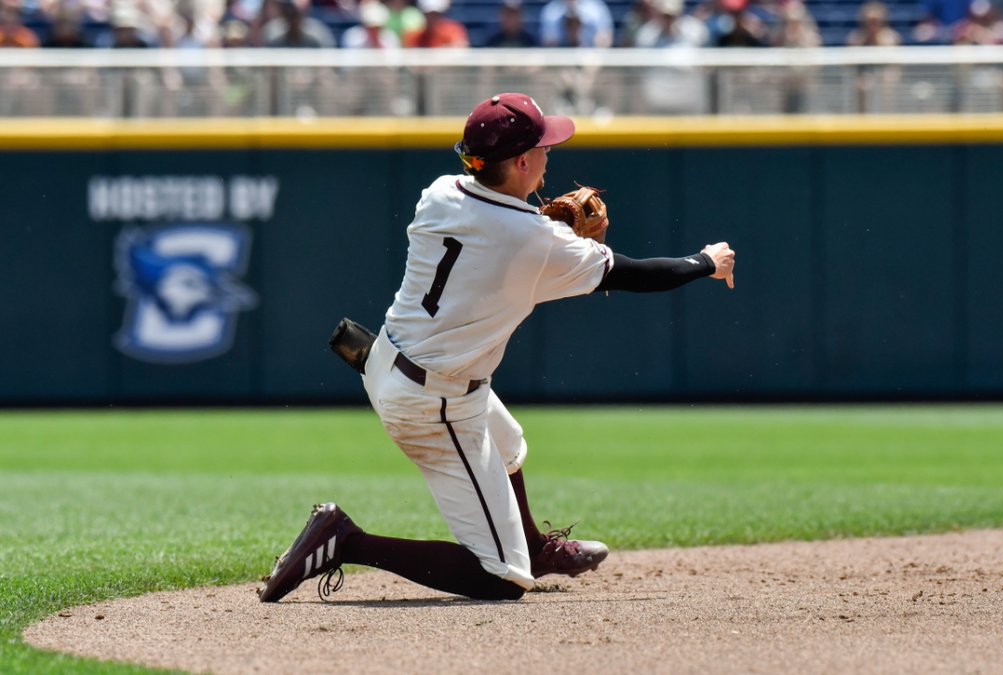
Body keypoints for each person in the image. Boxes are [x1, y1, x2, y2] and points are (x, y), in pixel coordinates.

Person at [259, 92, 736, 603]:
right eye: (544, 147)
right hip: (433, 402)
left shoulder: (440, 192)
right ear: (523, 161)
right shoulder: (536, 242)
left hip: (391, 362)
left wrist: (547, 234)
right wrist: (705, 262)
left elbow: (498, 236)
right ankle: (344, 542)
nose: (551, 154)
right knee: (499, 579)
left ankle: (533, 545)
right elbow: (636, 274)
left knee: (508, 444)